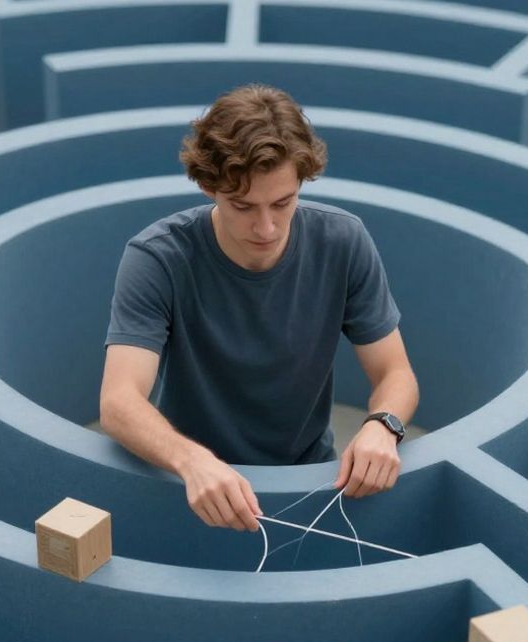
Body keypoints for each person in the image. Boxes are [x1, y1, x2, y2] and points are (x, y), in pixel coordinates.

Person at [99, 84, 419, 532]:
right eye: (243, 206)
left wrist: (384, 425)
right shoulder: (157, 258)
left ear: (302, 181)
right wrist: (191, 461)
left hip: (308, 477)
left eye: (283, 203)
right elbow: (118, 401)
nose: (266, 227)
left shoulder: (344, 241)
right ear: (208, 186)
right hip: (190, 482)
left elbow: (395, 373)